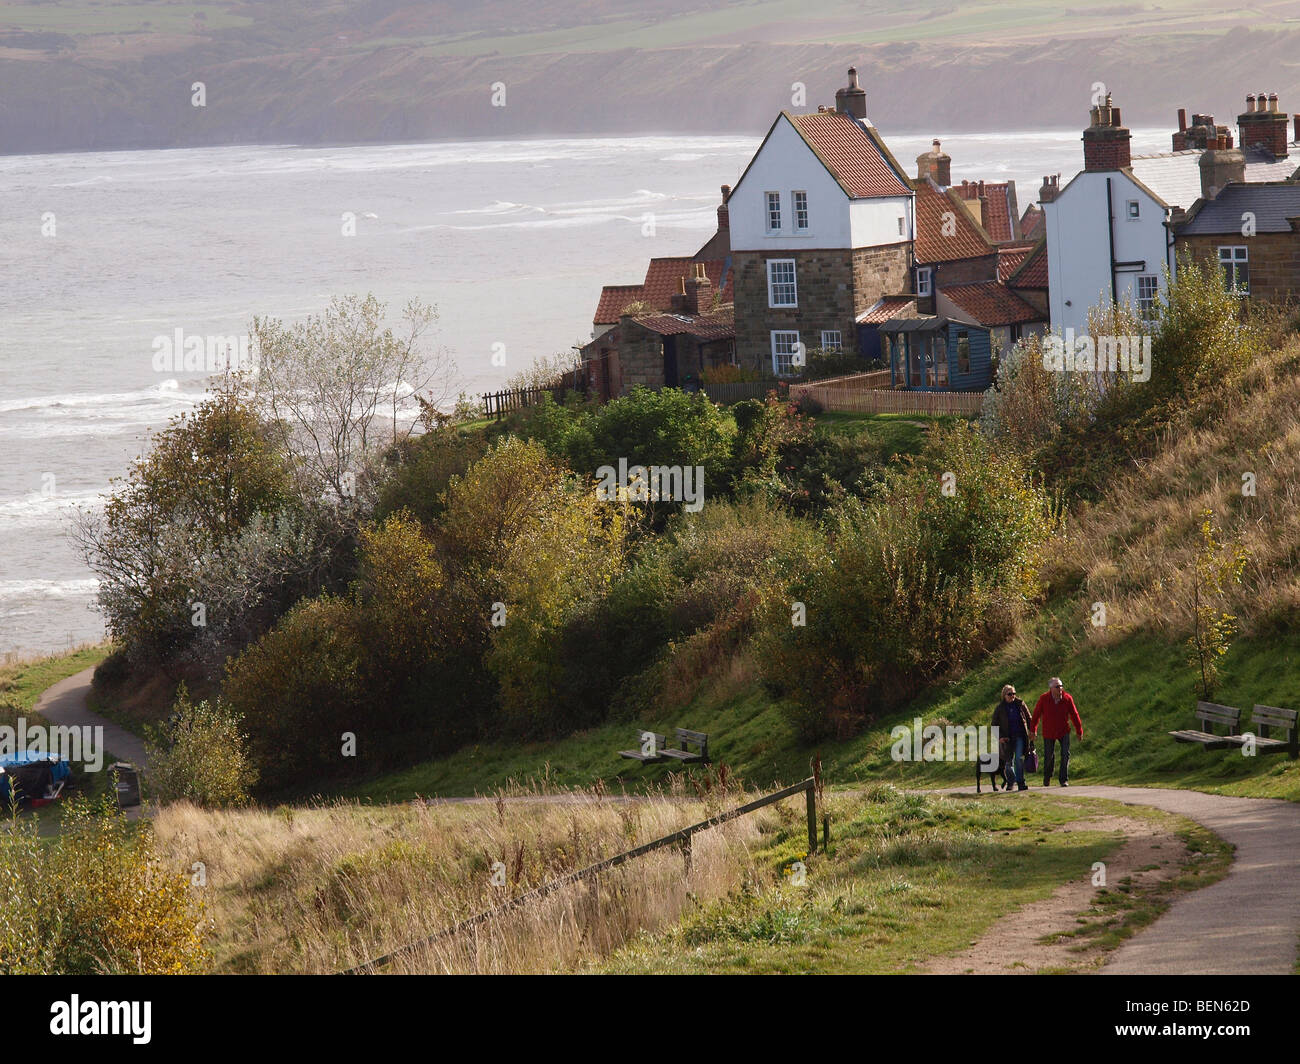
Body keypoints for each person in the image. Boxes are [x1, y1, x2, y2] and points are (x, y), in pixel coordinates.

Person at [1031, 676, 1084, 786]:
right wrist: (1033, 730)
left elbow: (1074, 715)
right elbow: (1036, 715)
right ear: (1051, 688)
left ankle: (1063, 779)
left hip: (1063, 730)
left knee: (1065, 754)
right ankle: (1047, 776)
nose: (1060, 689)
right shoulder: (1044, 699)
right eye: (1057, 687)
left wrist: (1079, 731)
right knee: (1049, 756)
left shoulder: (1067, 698)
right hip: (1048, 731)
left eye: (1061, 686)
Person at [991, 684, 1033, 791]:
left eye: (1014, 693)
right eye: (1010, 694)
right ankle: (1011, 781)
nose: (1012, 696)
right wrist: (999, 737)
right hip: (1007, 739)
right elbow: (994, 725)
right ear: (1004, 695)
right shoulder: (1000, 708)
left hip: (1019, 736)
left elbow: (1029, 718)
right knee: (1008, 763)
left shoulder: (1020, 704)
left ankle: (1021, 783)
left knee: (1018, 759)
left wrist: (1032, 731)